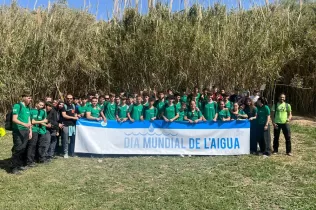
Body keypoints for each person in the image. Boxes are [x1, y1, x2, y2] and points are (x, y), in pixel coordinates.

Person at [10, 92, 32, 174]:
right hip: (18, 131)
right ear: (24, 98)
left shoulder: (28, 108)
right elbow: (14, 119)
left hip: (26, 131)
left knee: (23, 148)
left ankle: (19, 165)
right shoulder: (17, 106)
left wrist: (30, 131)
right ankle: (13, 168)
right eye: (29, 98)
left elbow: (29, 120)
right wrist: (24, 124)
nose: (30, 99)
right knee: (18, 148)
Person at [27, 100, 47, 167]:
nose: (41, 106)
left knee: (37, 145)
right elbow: (32, 121)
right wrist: (43, 121)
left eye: (42, 105)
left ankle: (35, 159)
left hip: (40, 130)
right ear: (36, 104)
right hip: (33, 130)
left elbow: (42, 121)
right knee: (32, 145)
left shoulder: (42, 112)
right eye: (40, 105)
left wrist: (46, 124)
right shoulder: (32, 111)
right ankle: (29, 161)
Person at [61, 94, 78, 158]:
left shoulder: (74, 106)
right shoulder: (64, 106)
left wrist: (76, 116)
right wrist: (73, 118)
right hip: (66, 125)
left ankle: (72, 153)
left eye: (71, 98)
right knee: (65, 140)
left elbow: (75, 113)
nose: (69, 100)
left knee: (73, 140)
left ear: (72, 99)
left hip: (73, 125)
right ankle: (66, 153)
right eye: (68, 98)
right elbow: (64, 115)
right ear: (66, 98)